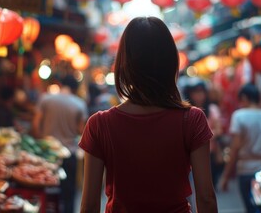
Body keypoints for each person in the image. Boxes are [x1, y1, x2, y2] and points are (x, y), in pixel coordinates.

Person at [79, 17, 217, 213]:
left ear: (124, 64)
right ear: (171, 62)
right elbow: (206, 198)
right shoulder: (192, 119)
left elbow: (90, 205)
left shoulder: (99, 124)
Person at [220, 83, 261, 213]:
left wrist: (225, 176)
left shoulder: (239, 116)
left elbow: (235, 147)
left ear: (244, 97)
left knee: (251, 209)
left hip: (245, 170)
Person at [31, 75, 88, 213]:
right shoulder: (80, 104)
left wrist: (42, 143)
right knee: (68, 195)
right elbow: (82, 132)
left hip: (46, 154)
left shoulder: (46, 98)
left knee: (46, 193)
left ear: (62, 85)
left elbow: (35, 125)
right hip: (69, 154)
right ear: (75, 89)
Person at [182, 77, 224, 190]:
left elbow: (219, 130)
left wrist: (200, 137)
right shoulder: (185, 111)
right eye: (195, 92)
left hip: (210, 152)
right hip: (190, 154)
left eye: (201, 92)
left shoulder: (212, 109)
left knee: (208, 185)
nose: (198, 95)